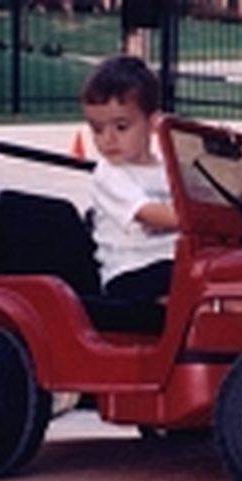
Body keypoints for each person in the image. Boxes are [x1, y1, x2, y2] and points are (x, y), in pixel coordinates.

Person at [80, 55, 178, 302]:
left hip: (172, 265)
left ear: (153, 123)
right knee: (202, 282)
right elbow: (148, 214)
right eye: (98, 129)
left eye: (121, 127)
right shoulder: (109, 175)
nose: (108, 139)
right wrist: (202, 216)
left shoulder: (170, 169)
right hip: (129, 274)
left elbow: (200, 195)